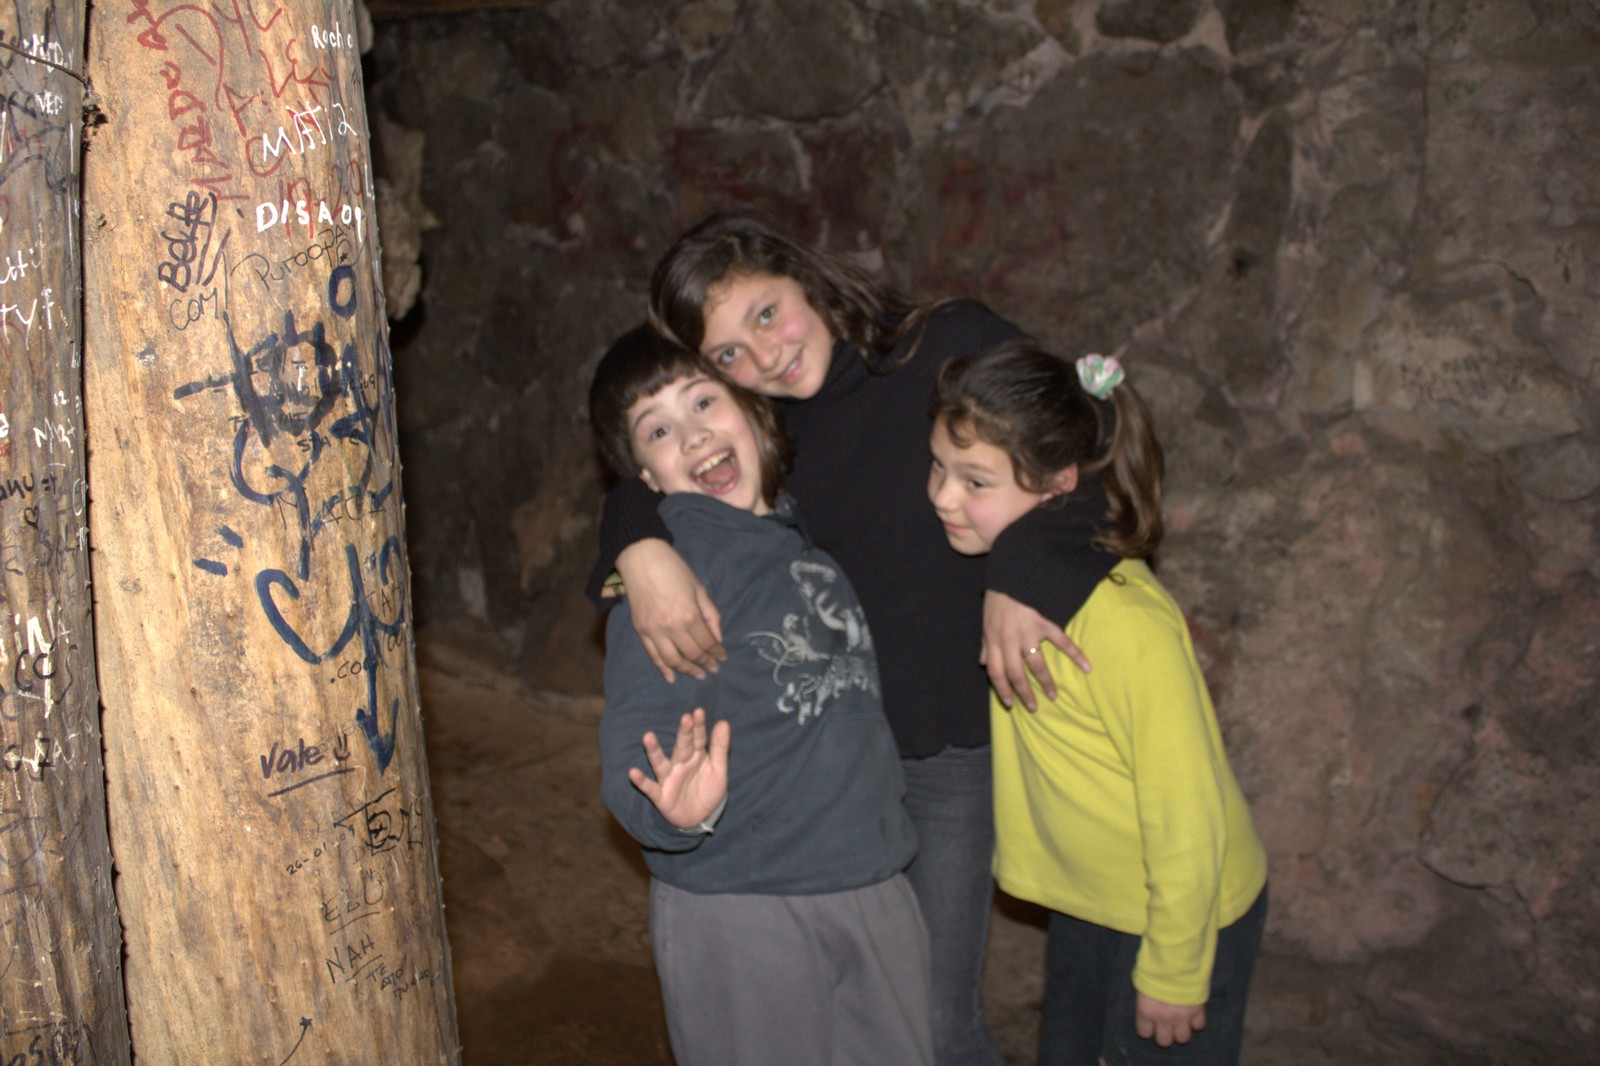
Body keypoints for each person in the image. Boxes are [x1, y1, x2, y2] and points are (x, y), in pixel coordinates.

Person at [589, 211, 1112, 1063]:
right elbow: (662, 463)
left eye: (766, 313)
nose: (765, 357)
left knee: (932, 1024)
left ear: (805, 276)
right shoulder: (768, 431)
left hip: (945, 755)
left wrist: (1023, 571)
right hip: (824, 762)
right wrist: (635, 543)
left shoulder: (948, 348)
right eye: (729, 354)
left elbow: (1091, 441)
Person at [589, 325, 933, 1066]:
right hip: (744, 902)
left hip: (871, 881)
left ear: (749, 407)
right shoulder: (673, 576)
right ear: (645, 478)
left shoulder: (804, 544)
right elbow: (635, 740)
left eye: (703, 401)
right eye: (658, 430)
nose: (692, 434)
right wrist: (671, 810)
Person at [927, 338, 1269, 1066]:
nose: (942, 497)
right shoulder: (1007, 574)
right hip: (1094, 903)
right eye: (938, 467)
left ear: (1060, 485)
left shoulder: (1126, 624)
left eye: (974, 480)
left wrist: (1175, 972)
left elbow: (1188, 812)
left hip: (1180, 914)